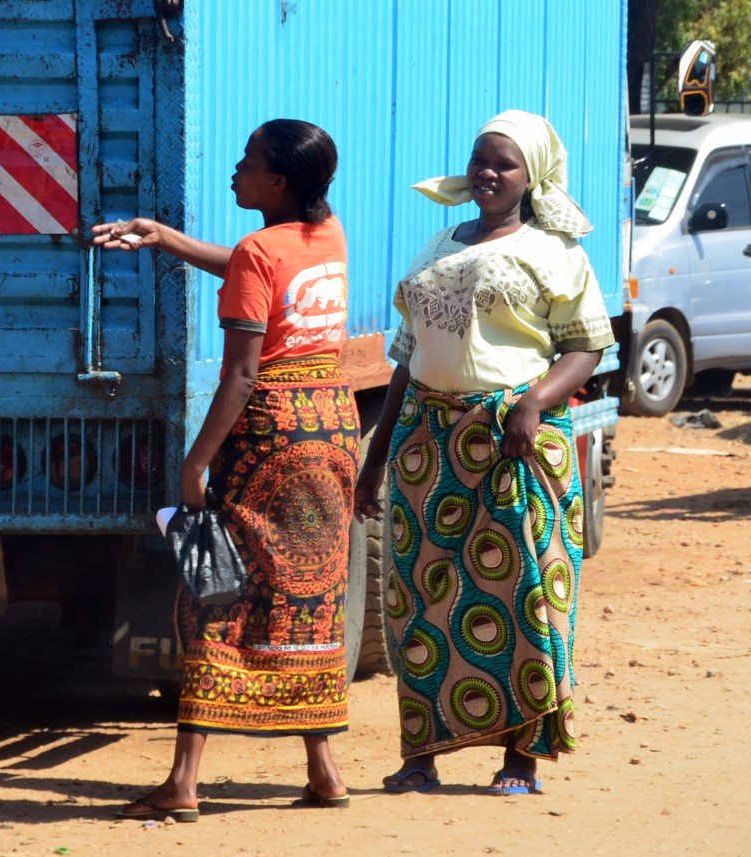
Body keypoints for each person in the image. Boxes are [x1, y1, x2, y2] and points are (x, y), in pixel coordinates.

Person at [92, 118, 359, 821]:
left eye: (248, 162)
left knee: (215, 592)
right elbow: (253, 267)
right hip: (331, 428)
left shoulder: (258, 251)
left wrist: (195, 462)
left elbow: (241, 375)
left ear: (278, 182)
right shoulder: (327, 233)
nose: (235, 170)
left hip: (269, 434)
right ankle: (325, 770)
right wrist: (167, 239)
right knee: (307, 594)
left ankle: (183, 783)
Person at [353, 110, 616, 796]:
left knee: (523, 595)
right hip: (428, 449)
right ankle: (421, 754)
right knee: (419, 600)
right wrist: (376, 458)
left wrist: (533, 402)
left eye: (504, 163)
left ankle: (520, 758)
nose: (487, 173)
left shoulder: (555, 250)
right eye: (480, 159)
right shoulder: (438, 243)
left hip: (515, 445)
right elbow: (407, 357)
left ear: (533, 176)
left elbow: (587, 345)